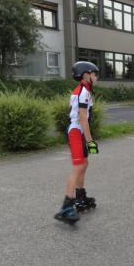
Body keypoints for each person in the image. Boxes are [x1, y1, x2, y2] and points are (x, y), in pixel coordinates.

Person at [54, 61, 100, 224]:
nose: (96, 77)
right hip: (75, 131)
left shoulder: (85, 90)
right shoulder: (83, 92)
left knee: (84, 163)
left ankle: (80, 197)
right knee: (78, 166)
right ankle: (66, 207)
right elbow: (82, 118)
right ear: (86, 75)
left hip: (78, 131)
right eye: (94, 74)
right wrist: (90, 141)